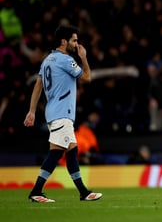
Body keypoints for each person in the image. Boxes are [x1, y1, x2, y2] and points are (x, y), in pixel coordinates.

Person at [23, 24, 102, 203]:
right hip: (62, 113)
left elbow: (38, 85)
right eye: (74, 40)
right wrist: (84, 57)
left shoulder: (48, 60)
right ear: (63, 41)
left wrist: (32, 111)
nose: (76, 44)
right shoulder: (66, 60)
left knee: (71, 151)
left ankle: (83, 192)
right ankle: (36, 191)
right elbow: (87, 77)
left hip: (53, 113)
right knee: (57, 154)